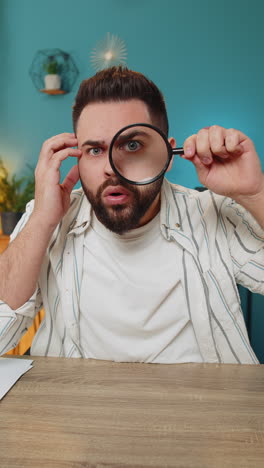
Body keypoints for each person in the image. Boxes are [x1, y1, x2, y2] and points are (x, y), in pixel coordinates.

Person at [0, 67, 263, 363]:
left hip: (204, 405)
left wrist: (255, 195)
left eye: (132, 145)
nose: (111, 168)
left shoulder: (213, 213)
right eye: (95, 150)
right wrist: (41, 221)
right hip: (76, 405)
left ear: (166, 154)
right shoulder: (48, 219)